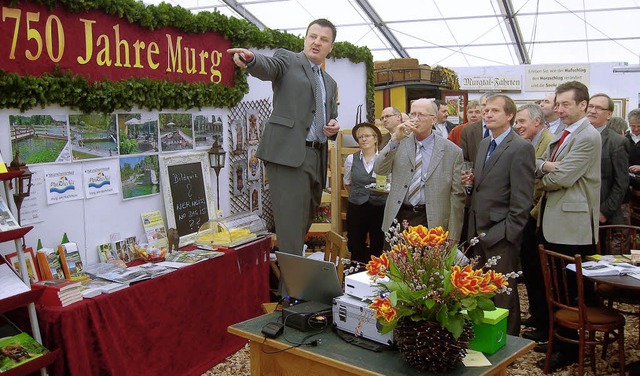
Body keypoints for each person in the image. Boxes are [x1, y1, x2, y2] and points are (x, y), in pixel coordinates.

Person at [227, 18, 340, 255]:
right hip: (287, 156)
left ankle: (290, 285)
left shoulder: (329, 83)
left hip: (316, 157)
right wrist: (251, 59)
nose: (316, 42)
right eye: (313, 36)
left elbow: (331, 116)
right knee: (290, 229)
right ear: (305, 38)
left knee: (302, 224)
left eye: (324, 39)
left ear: (331, 47)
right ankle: (292, 291)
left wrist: (333, 126)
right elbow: (268, 66)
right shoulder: (288, 60)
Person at [533, 81, 601, 371]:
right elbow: (537, 161)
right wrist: (542, 169)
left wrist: (541, 176)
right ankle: (559, 339)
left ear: (583, 105)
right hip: (552, 220)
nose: (559, 110)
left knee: (569, 289)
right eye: (557, 104)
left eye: (565, 105)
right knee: (555, 288)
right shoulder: (561, 133)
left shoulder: (588, 136)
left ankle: (571, 348)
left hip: (571, 226)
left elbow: (561, 178)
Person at [466, 94, 535, 337]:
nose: (488, 114)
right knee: (481, 290)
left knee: (504, 291)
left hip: (501, 233)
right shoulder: (485, 143)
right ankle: (485, 335)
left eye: (495, 110)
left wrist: (508, 234)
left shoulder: (521, 148)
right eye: (486, 110)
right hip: (478, 230)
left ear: (509, 116)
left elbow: (522, 199)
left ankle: (509, 340)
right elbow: (484, 184)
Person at [374, 98, 465, 241]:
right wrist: (394, 140)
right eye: (412, 114)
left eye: (421, 115)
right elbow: (379, 169)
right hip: (400, 216)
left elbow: (457, 197)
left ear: (434, 119)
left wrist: (453, 236)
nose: (415, 119)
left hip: (432, 220)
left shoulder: (452, 151)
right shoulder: (399, 142)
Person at [513, 104, 554, 338]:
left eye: (521, 122)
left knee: (539, 271)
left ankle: (544, 323)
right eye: (516, 122)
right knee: (529, 269)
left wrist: (531, 214)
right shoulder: (530, 142)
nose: (517, 126)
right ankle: (538, 315)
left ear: (537, 122)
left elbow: (544, 181)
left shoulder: (549, 141)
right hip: (529, 212)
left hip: (537, 215)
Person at [343, 122, 385, 262]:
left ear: (375, 139)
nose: (364, 139)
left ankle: (376, 276)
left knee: (378, 244)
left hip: (379, 207)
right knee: (356, 244)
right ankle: (355, 275)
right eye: (360, 137)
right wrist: (358, 195)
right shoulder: (351, 159)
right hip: (357, 207)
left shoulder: (384, 159)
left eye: (367, 136)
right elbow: (347, 183)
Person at [587, 94, 628, 227]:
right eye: (590, 106)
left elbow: (621, 182)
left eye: (598, 108)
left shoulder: (617, 142)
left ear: (609, 114)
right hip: (578, 211)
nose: (592, 111)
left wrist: (605, 211)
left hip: (602, 215)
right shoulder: (576, 137)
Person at [627, 109, 640, 189]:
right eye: (633, 126)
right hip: (627, 182)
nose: (636, 129)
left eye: (639, 126)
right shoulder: (624, 138)